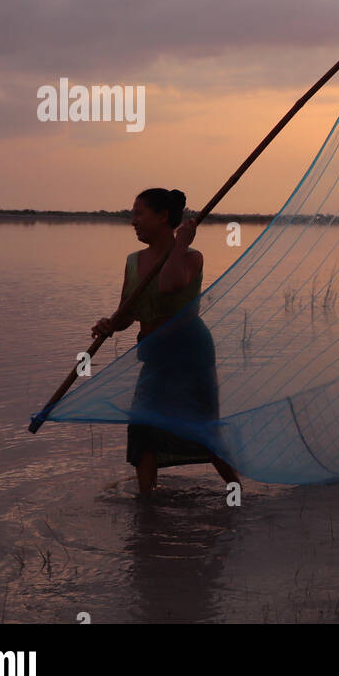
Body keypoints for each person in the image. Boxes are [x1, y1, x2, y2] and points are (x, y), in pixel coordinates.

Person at [90, 188, 239, 497]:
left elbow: (170, 284)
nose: (133, 221)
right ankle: (147, 505)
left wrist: (181, 241)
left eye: (139, 214)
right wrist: (109, 324)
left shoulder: (190, 257)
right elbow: (127, 314)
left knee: (204, 430)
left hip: (190, 356)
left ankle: (237, 492)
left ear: (163, 217)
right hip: (155, 354)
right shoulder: (134, 261)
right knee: (143, 425)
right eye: (133, 214)